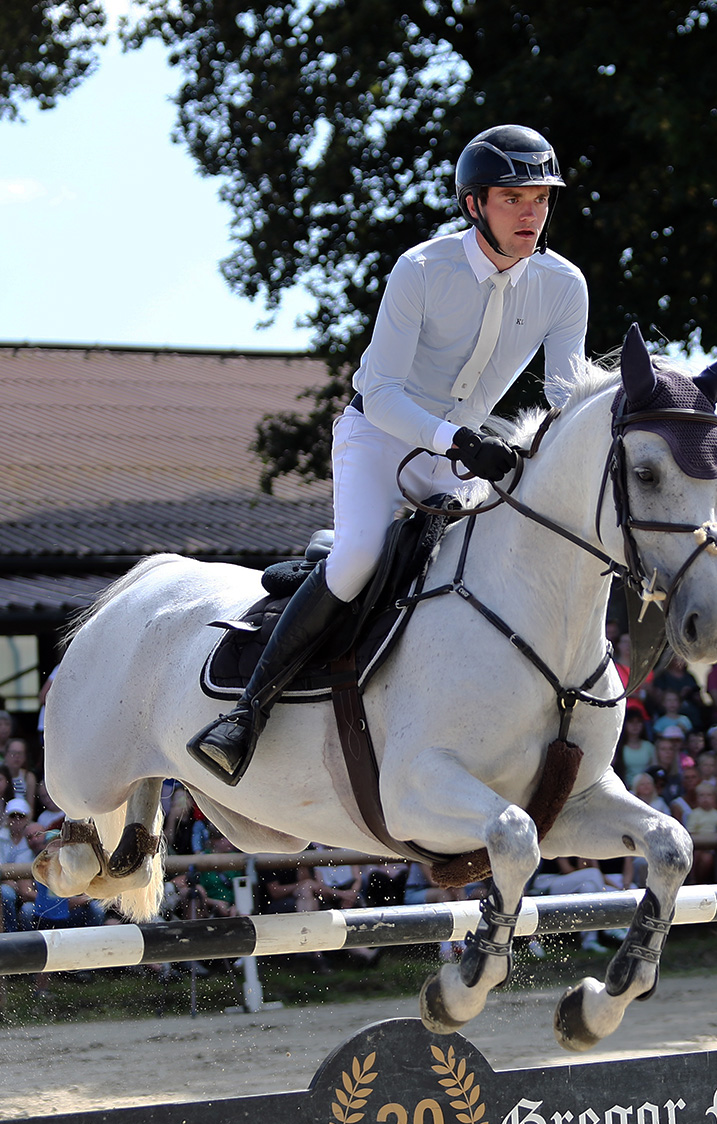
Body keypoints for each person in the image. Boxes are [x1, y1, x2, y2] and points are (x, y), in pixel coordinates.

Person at [188, 123, 589, 784]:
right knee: (359, 558)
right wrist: (458, 440)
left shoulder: (563, 285)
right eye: (514, 198)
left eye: (541, 199)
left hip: (460, 458)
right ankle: (247, 714)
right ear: (474, 204)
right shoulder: (422, 269)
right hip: (379, 437)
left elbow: (565, 394)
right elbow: (380, 394)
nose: (531, 213)